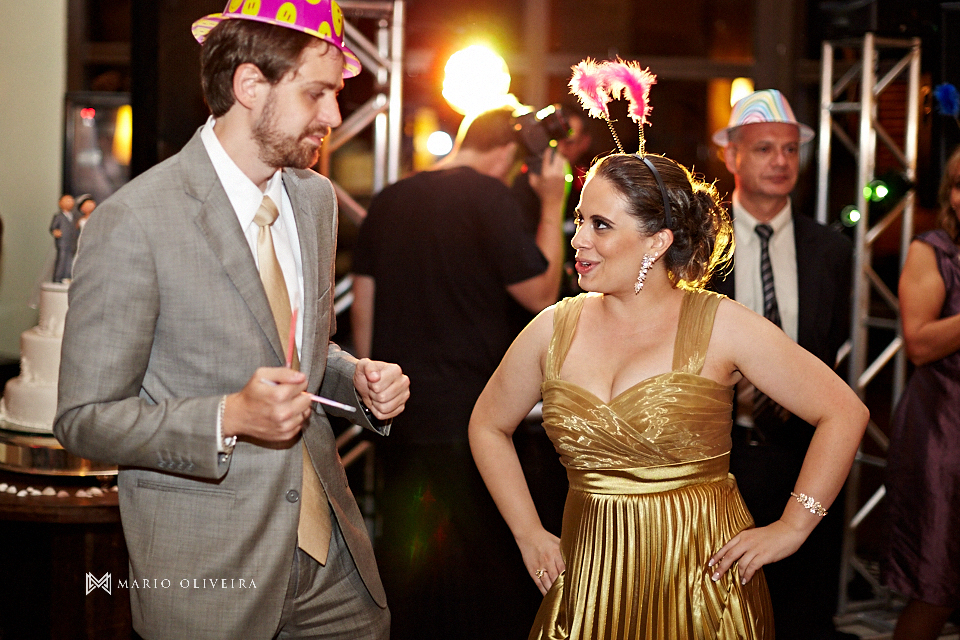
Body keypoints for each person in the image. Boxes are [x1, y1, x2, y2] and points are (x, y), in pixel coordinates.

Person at [53, 2, 409, 639]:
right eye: (317, 93)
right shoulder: (136, 220)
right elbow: (85, 420)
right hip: (209, 573)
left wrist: (355, 378)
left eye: (336, 95)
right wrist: (229, 418)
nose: (332, 116)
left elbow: (299, 347)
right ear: (250, 85)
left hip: (332, 561)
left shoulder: (314, 199)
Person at [468, 151, 868, 639]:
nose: (578, 239)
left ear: (657, 242)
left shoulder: (722, 325)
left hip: (701, 586)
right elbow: (488, 425)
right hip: (590, 583)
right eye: (580, 219)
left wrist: (794, 526)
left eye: (600, 225)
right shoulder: (552, 328)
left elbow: (843, 411)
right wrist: (528, 533)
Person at [350, 106, 567, 639]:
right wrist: (552, 203)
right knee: (482, 569)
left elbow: (363, 303)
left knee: (410, 563)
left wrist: (374, 397)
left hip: (400, 413)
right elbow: (541, 293)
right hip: (472, 419)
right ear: (505, 152)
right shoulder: (489, 195)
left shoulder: (390, 197)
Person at [709, 89, 855, 639]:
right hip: (722, 458)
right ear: (732, 156)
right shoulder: (703, 248)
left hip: (806, 454)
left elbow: (832, 346)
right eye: (764, 148)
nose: (780, 161)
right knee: (721, 604)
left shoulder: (830, 250)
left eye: (790, 149)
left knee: (802, 610)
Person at [881, 144, 960, 640]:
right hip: (945, 431)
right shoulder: (933, 251)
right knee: (936, 585)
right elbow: (920, 343)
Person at [49, 193, 78, 282]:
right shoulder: (59, 216)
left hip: (71, 242)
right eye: (67, 200)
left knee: (69, 261)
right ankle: (58, 278)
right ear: (60, 203)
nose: (70, 202)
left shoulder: (73, 217)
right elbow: (53, 227)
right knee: (61, 260)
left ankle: (66, 277)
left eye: (71, 201)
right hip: (62, 242)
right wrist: (55, 231)